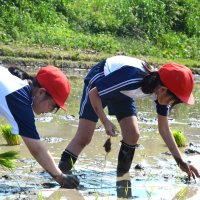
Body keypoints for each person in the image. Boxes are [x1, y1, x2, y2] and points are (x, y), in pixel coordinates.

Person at [58, 55, 200, 179]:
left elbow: (163, 128)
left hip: (122, 91)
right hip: (100, 80)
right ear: (163, 90)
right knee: (84, 137)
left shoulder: (161, 92)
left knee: (132, 134)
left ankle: (122, 179)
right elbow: (94, 94)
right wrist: (105, 121)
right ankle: (60, 174)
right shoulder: (132, 78)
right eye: (173, 101)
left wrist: (180, 161)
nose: (171, 105)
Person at [0, 65, 79, 188]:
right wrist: (61, 177)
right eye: (53, 106)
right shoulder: (18, 99)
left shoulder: (19, 88)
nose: (50, 111)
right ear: (41, 92)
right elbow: (37, 149)